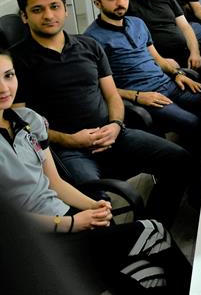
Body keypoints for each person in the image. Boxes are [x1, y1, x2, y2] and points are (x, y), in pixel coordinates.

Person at [0, 48, 191, 293]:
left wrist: (93, 206)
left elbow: (55, 183)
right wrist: (71, 223)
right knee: (154, 233)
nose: (4, 88)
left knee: (148, 274)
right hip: (33, 243)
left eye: (8, 75)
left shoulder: (29, 120)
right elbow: (9, 222)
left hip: (64, 217)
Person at [10, 0, 193, 227]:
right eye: (37, 10)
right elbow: (21, 125)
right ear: (24, 16)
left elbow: (112, 95)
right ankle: (122, 242)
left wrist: (116, 124)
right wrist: (70, 140)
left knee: (180, 160)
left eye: (54, 6)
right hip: (67, 149)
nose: (49, 15)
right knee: (98, 205)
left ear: (65, 9)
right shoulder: (15, 62)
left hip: (112, 133)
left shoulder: (88, 45)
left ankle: (151, 229)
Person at [84, 0, 201, 155]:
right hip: (147, 96)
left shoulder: (137, 23)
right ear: (97, 3)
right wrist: (138, 96)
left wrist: (177, 74)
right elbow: (97, 87)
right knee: (195, 123)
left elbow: (157, 58)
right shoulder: (91, 40)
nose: (120, 2)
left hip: (170, 84)